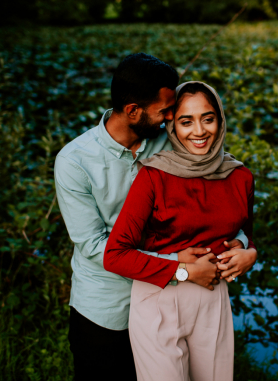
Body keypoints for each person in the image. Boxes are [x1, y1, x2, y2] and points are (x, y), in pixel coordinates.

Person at [54, 54, 250, 381]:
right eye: (164, 111)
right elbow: (93, 245)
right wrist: (178, 266)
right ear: (133, 110)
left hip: (171, 304)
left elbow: (216, 198)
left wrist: (245, 244)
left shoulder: (167, 142)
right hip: (108, 309)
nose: (172, 116)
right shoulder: (74, 162)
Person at [104, 81, 258, 381]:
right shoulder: (153, 176)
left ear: (220, 120)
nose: (199, 131)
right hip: (159, 296)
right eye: (187, 121)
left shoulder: (240, 176)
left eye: (208, 118)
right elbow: (115, 255)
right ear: (173, 124)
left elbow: (245, 232)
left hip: (213, 297)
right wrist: (183, 269)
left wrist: (250, 253)